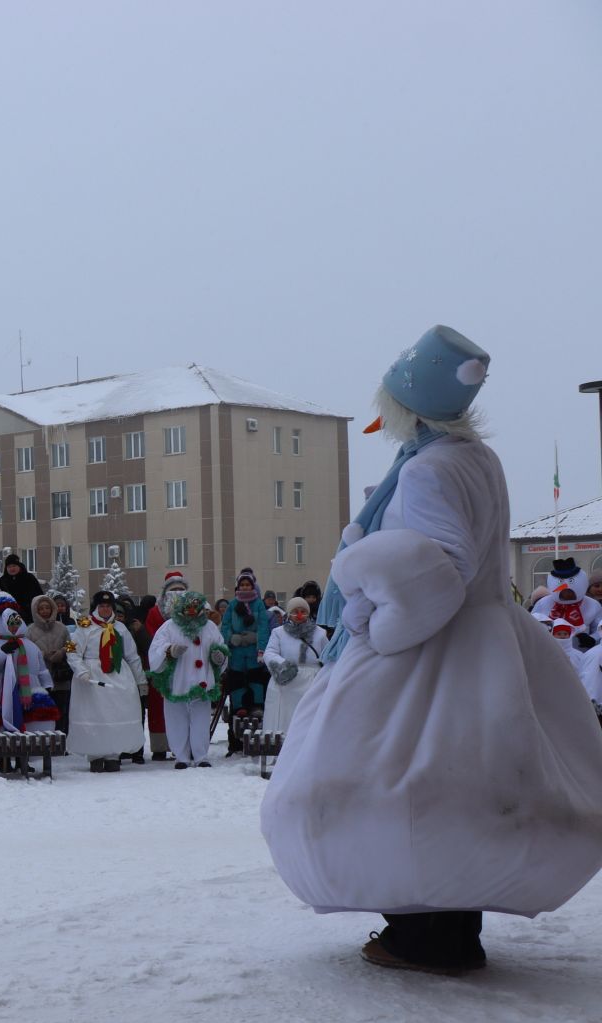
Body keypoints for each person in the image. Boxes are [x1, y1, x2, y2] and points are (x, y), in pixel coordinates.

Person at [265, 324, 602, 975]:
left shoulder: (427, 470)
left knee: (401, 779)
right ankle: (445, 928)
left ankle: (426, 934)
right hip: (487, 642)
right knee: (463, 783)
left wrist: (374, 616)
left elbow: (437, 570)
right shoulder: (477, 459)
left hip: (429, 644)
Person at [0, 590, 59, 774]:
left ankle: (23, 760)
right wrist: (1, 651)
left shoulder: (28, 644)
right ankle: (3, 761)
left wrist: (46, 683)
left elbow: (40, 666)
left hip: (29, 693)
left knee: (27, 727)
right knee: (0, 727)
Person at [66, 590, 146, 772]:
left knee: (116, 713)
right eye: (101, 606)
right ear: (96, 607)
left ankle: (113, 755)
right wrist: (81, 670)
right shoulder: (84, 625)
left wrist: (140, 680)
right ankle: (95, 754)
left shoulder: (120, 628)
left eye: (108, 606)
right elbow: (71, 649)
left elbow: (132, 655)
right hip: (92, 677)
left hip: (117, 674)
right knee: (94, 715)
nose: (105, 609)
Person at [147, 589, 227, 769]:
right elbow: (155, 649)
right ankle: (181, 756)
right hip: (177, 680)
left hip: (202, 680)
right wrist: (169, 650)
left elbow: (220, 647)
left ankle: (200, 755)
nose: (191, 610)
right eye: (187, 607)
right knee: (176, 719)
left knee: (201, 719)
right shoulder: (169, 626)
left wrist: (219, 658)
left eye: (194, 606)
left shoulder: (209, 627)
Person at [220, 569, 272, 752]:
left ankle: (256, 705)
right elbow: (225, 625)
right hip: (236, 652)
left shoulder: (258, 604)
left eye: (247, 584)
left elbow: (264, 627)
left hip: (253, 650)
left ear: (253, 586)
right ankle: (239, 708)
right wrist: (229, 640)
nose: (244, 587)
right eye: (242, 584)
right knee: (237, 681)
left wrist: (260, 647)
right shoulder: (233, 604)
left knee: (255, 678)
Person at [260, 597, 326, 733]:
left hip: (311, 681)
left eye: (303, 611)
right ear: (289, 614)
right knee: (284, 719)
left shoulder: (319, 633)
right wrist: (283, 666)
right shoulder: (278, 633)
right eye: (295, 611)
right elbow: (269, 653)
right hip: (286, 681)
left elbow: (327, 656)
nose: (299, 615)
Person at [143, 570, 186, 759]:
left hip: (185, 665)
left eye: (180, 589)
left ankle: (182, 745)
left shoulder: (192, 611)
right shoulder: (155, 612)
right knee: (158, 707)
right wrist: (166, 652)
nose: (177, 593)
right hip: (162, 664)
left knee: (183, 706)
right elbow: (152, 638)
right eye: (173, 589)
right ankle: (160, 746)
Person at [27, 593, 73, 734]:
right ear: (36, 610)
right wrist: (43, 655)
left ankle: (62, 740)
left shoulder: (62, 628)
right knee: (44, 712)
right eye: (41, 608)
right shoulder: (29, 630)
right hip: (41, 678)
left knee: (62, 711)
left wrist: (61, 652)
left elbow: (72, 645)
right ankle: (46, 740)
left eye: (48, 607)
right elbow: (26, 652)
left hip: (61, 677)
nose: (45, 611)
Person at [531, 558, 600, 640]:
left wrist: (592, 639)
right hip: (551, 649)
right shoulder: (543, 603)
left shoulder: (592, 605)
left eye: (570, 589)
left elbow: (599, 628)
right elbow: (531, 627)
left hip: (582, 650)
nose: (567, 591)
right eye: (561, 583)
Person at [0, 554, 43, 621]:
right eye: (9, 566)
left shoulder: (29, 578)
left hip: (30, 615)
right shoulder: (2, 581)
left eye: (14, 566)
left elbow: (39, 595)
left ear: (19, 566)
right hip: (9, 617)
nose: (12, 568)